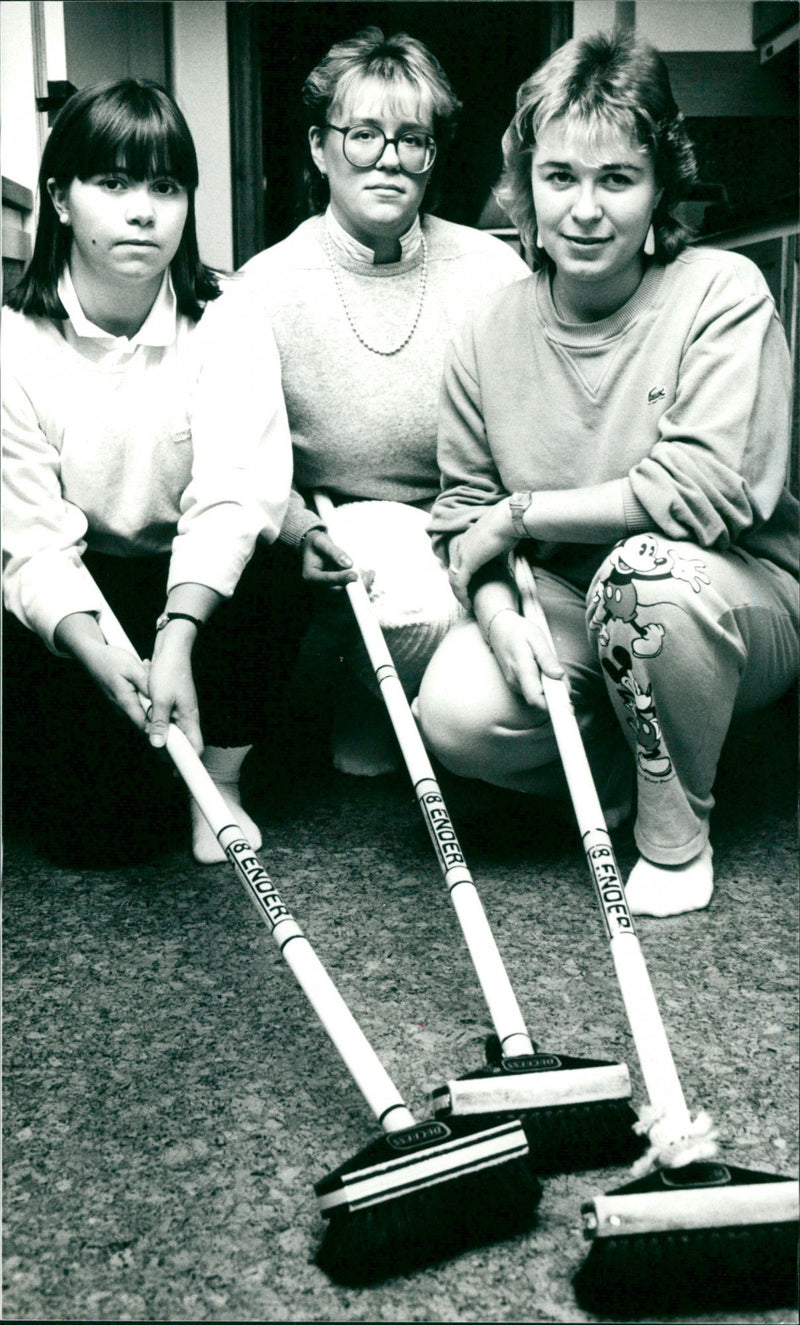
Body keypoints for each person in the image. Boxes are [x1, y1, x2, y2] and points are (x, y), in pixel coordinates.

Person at [416, 31, 798, 917]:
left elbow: (698, 493)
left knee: (643, 578)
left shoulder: (722, 290)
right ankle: (636, 752)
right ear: (526, 189)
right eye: (560, 178)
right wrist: (498, 610)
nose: (585, 210)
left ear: (661, 185)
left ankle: (674, 832)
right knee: (456, 708)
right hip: (565, 596)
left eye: (617, 179)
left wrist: (520, 514)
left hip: (732, 596)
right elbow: (461, 512)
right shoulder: (486, 330)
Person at [2, 78, 293, 865]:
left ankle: (223, 782)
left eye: (165, 186)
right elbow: (31, 545)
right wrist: (110, 661)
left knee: (272, 551)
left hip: (198, 587)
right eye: (113, 182)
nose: (143, 210)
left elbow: (233, 497)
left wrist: (175, 640)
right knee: (97, 839)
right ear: (60, 199)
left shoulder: (228, 315)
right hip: (84, 589)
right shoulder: (14, 343)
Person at [231, 26, 530, 773]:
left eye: (412, 138)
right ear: (317, 147)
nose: (389, 158)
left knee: (487, 688)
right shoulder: (263, 287)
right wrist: (302, 532)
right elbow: (240, 455)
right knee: (413, 615)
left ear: (433, 154)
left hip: (465, 528)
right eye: (363, 134)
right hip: (349, 546)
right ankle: (371, 689)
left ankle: (432, 700)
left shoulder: (495, 272)